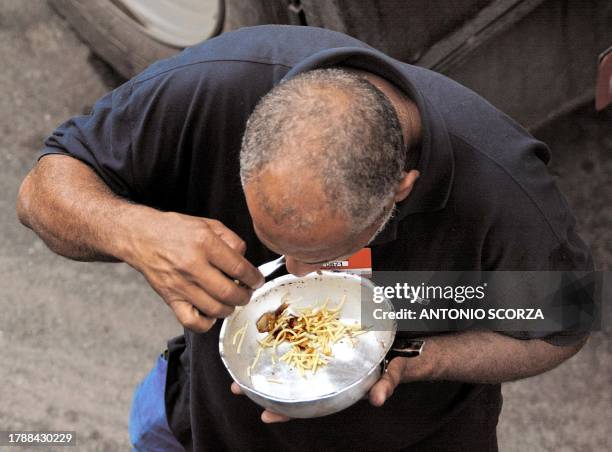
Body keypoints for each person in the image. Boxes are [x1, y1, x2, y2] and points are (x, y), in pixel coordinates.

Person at [17, 25, 591, 451]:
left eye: (323, 255)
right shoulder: (210, 87)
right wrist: (135, 231)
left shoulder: (505, 190)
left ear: (402, 188)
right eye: (273, 242)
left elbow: (561, 330)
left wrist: (420, 358)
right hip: (206, 422)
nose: (292, 273)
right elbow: (41, 192)